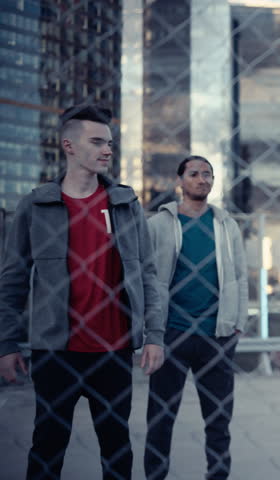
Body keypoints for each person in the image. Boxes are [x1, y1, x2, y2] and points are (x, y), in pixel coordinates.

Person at [0, 104, 164, 480]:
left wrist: (154, 335)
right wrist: (6, 344)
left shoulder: (125, 204)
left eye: (109, 143)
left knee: (117, 446)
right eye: (96, 142)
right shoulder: (35, 205)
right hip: (56, 352)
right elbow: (11, 282)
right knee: (48, 444)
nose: (107, 150)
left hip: (114, 351)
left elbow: (148, 275)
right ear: (68, 145)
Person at [144, 156, 248, 480]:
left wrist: (238, 324)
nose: (202, 179)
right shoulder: (158, 224)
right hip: (171, 334)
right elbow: (146, 278)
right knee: (160, 419)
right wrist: (152, 333)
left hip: (216, 335)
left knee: (218, 422)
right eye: (194, 174)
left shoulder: (226, 225)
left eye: (208, 174)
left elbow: (241, 277)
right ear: (180, 181)